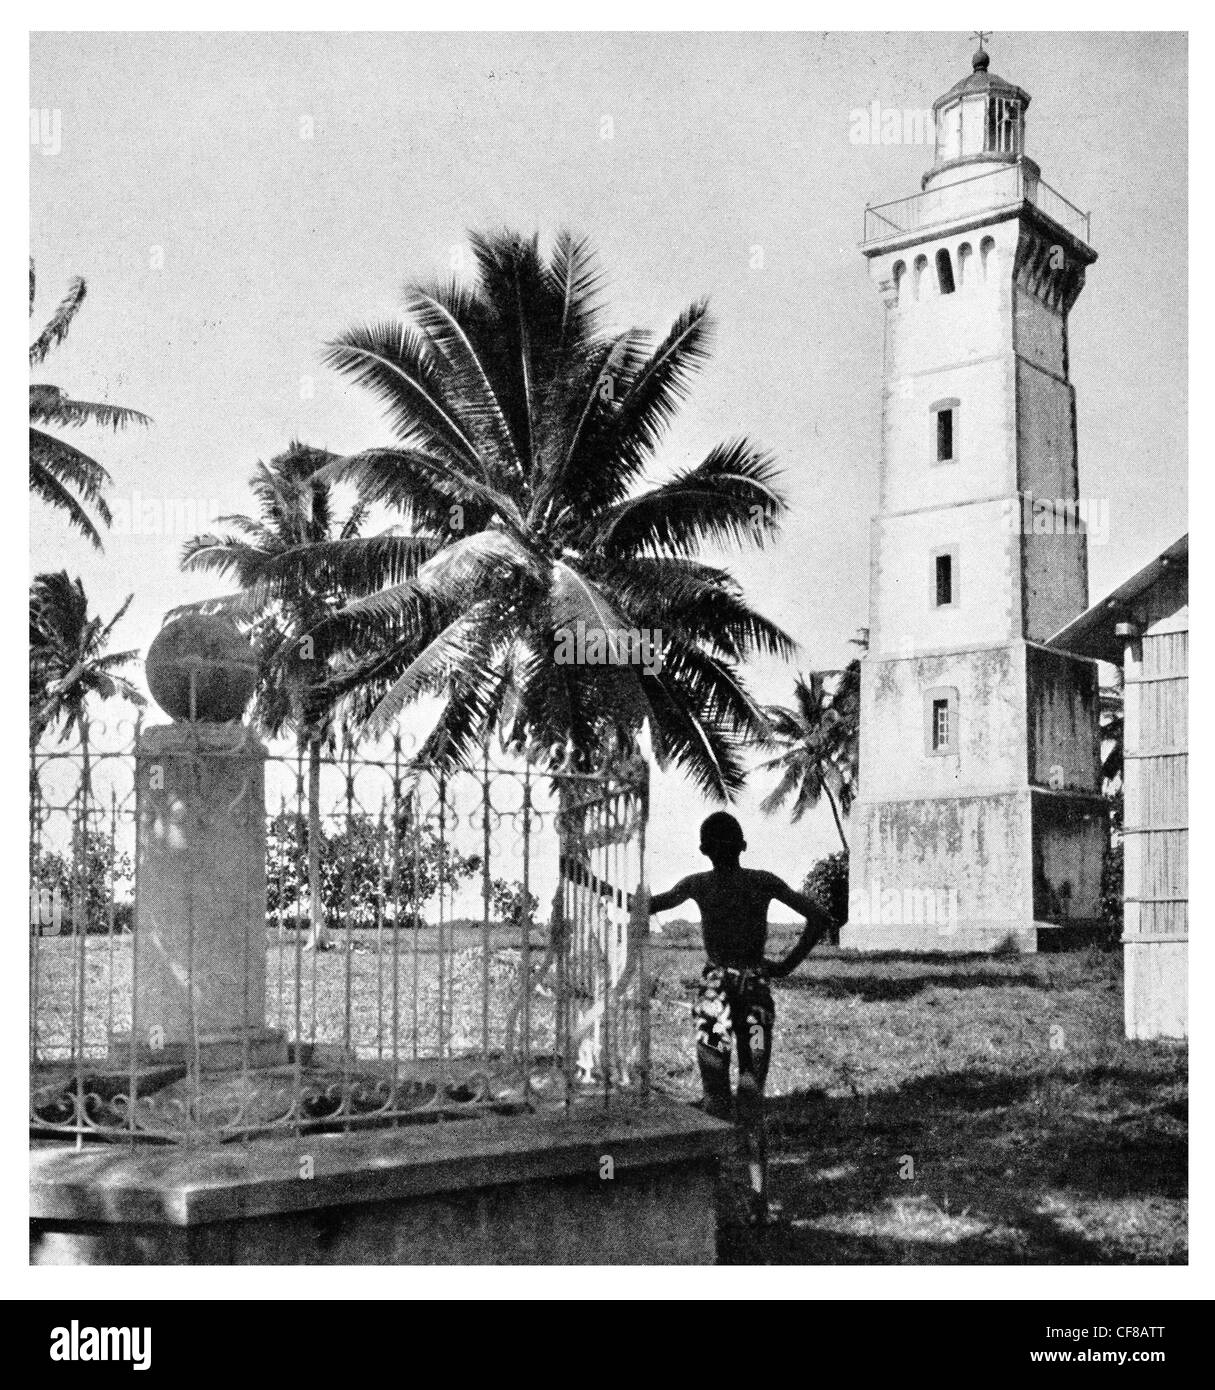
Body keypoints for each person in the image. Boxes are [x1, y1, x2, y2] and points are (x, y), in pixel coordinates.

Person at [642, 811, 834, 1221]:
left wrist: (594, 883)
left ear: (703, 849)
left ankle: (713, 1204)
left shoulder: (697, 884)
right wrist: (784, 966)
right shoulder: (761, 882)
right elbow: (818, 918)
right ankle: (758, 1202)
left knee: (715, 1097)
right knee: (751, 1095)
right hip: (755, 998)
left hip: (715, 998)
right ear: (743, 845)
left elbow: (643, 906)